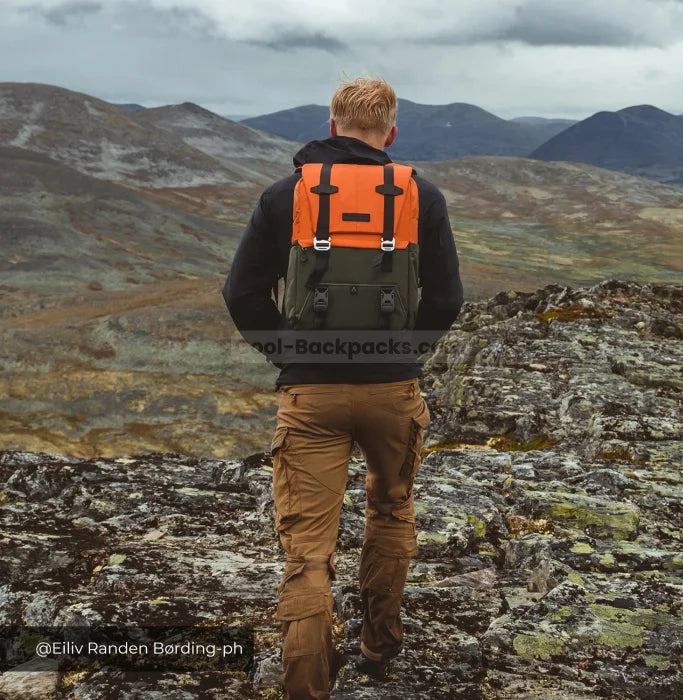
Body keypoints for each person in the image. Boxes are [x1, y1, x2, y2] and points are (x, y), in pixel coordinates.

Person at [222, 77, 463, 699]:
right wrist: (404, 355)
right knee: (389, 510)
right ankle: (379, 645)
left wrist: (292, 353)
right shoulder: (420, 196)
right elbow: (446, 297)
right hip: (393, 392)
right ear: (391, 133)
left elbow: (242, 293)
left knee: (308, 551)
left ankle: (307, 686)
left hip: (312, 394)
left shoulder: (286, 195)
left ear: (331, 127)